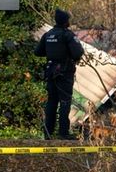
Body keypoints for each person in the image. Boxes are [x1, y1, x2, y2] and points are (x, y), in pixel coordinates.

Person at [35, 9, 84, 139]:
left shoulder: (48, 34)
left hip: (50, 72)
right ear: (65, 22)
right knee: (64, 101)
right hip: (64, 73)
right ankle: (63, 133)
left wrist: (53, 52)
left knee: (51, 101)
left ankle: (48, 132)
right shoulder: (67, 35)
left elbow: (38, 52)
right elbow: (78, 53)